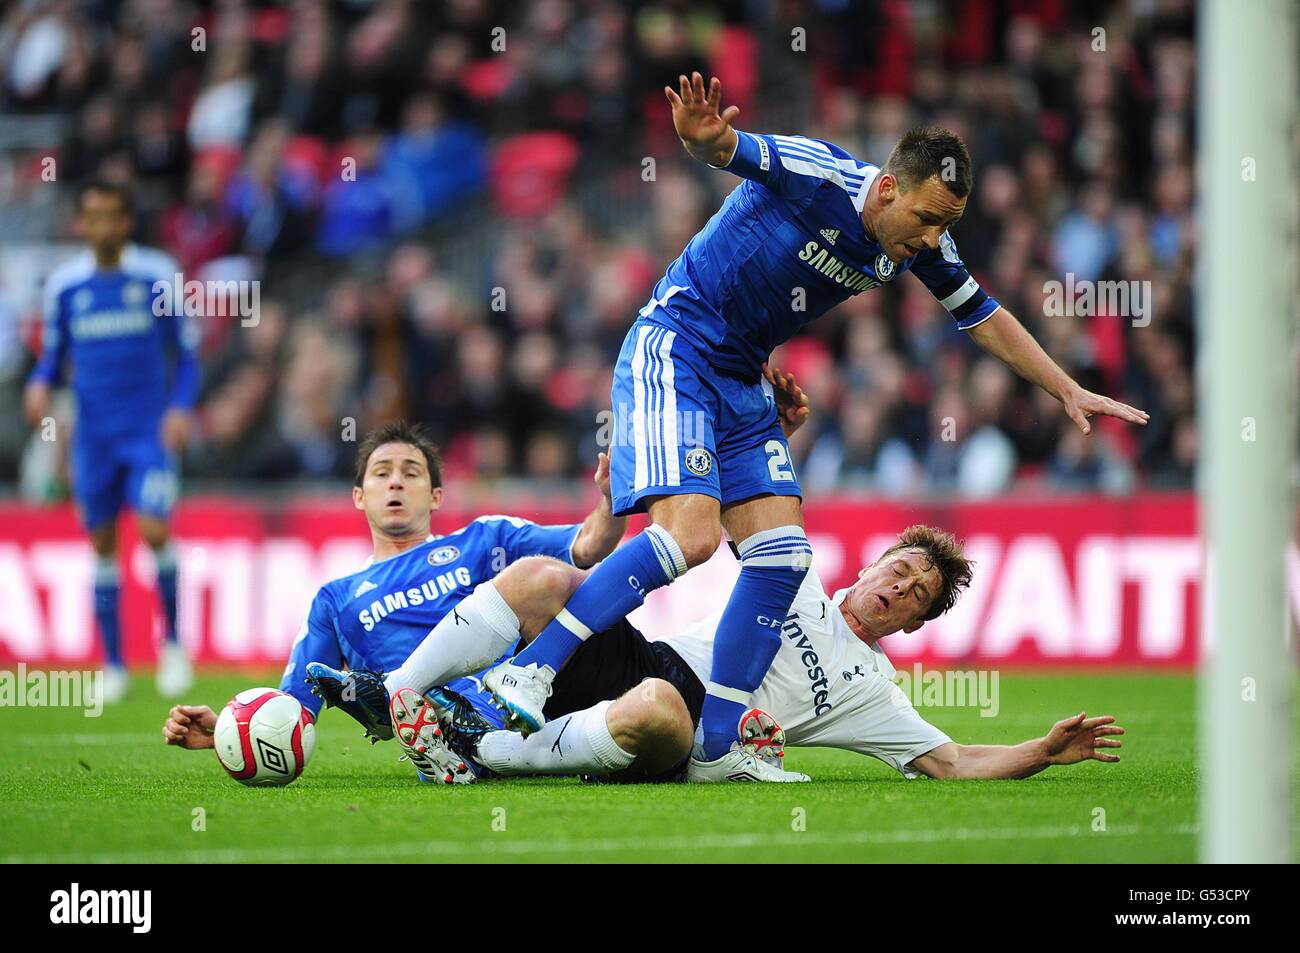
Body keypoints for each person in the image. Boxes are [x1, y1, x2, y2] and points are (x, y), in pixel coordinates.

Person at [478, 74, 1148, 781]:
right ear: (888, 189)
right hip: (678, 342)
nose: (932, 238)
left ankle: (718, 742)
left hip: (742, 379)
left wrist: (1065, 386)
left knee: (782, 558)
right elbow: (728, 147)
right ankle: (530, 671)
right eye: (926, 218)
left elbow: (982, 315)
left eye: (945, 225)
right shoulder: (819, 173)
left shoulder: (918, 246)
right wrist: (701, 136)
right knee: (692, 536)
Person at [314, 524, 1125, 785]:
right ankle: (395, 691)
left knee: (659, 710)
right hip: (642, 653)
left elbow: (952, 761)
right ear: (873, 562)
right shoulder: (792, 569)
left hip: (693, 725)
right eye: (900, 569)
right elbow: (736, 502)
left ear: (913, 625)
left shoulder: (872, 687)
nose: (900, 588)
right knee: (543, 577)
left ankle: (479, 753)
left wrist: (1043, 752)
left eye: (916, 594)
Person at [160, 420, 627, 763]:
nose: (396, 481)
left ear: (436, 496)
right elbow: (298, 704)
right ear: (360, 495)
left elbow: (585, 548)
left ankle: (466, 727)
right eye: (381, 473)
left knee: (547, 580)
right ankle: (441, 728)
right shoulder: (336, 598)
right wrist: (230, 728)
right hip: (426, 724)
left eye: (411, 472)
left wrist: (611, 501)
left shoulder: (485, 540)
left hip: (510, 706)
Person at [24, 179, 200, 702]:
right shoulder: (65, 287)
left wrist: (180, 409)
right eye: (92, 216)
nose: (101, 226)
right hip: (93, 436)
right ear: (81, 224)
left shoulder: (156, 275)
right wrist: (39, 383)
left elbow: (186, 355)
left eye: (111, 216)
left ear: (126, 222)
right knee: (101, 541)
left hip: (147, 431)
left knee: (152, 527)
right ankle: (115, 663)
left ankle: (171, 645)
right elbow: (54, 359)